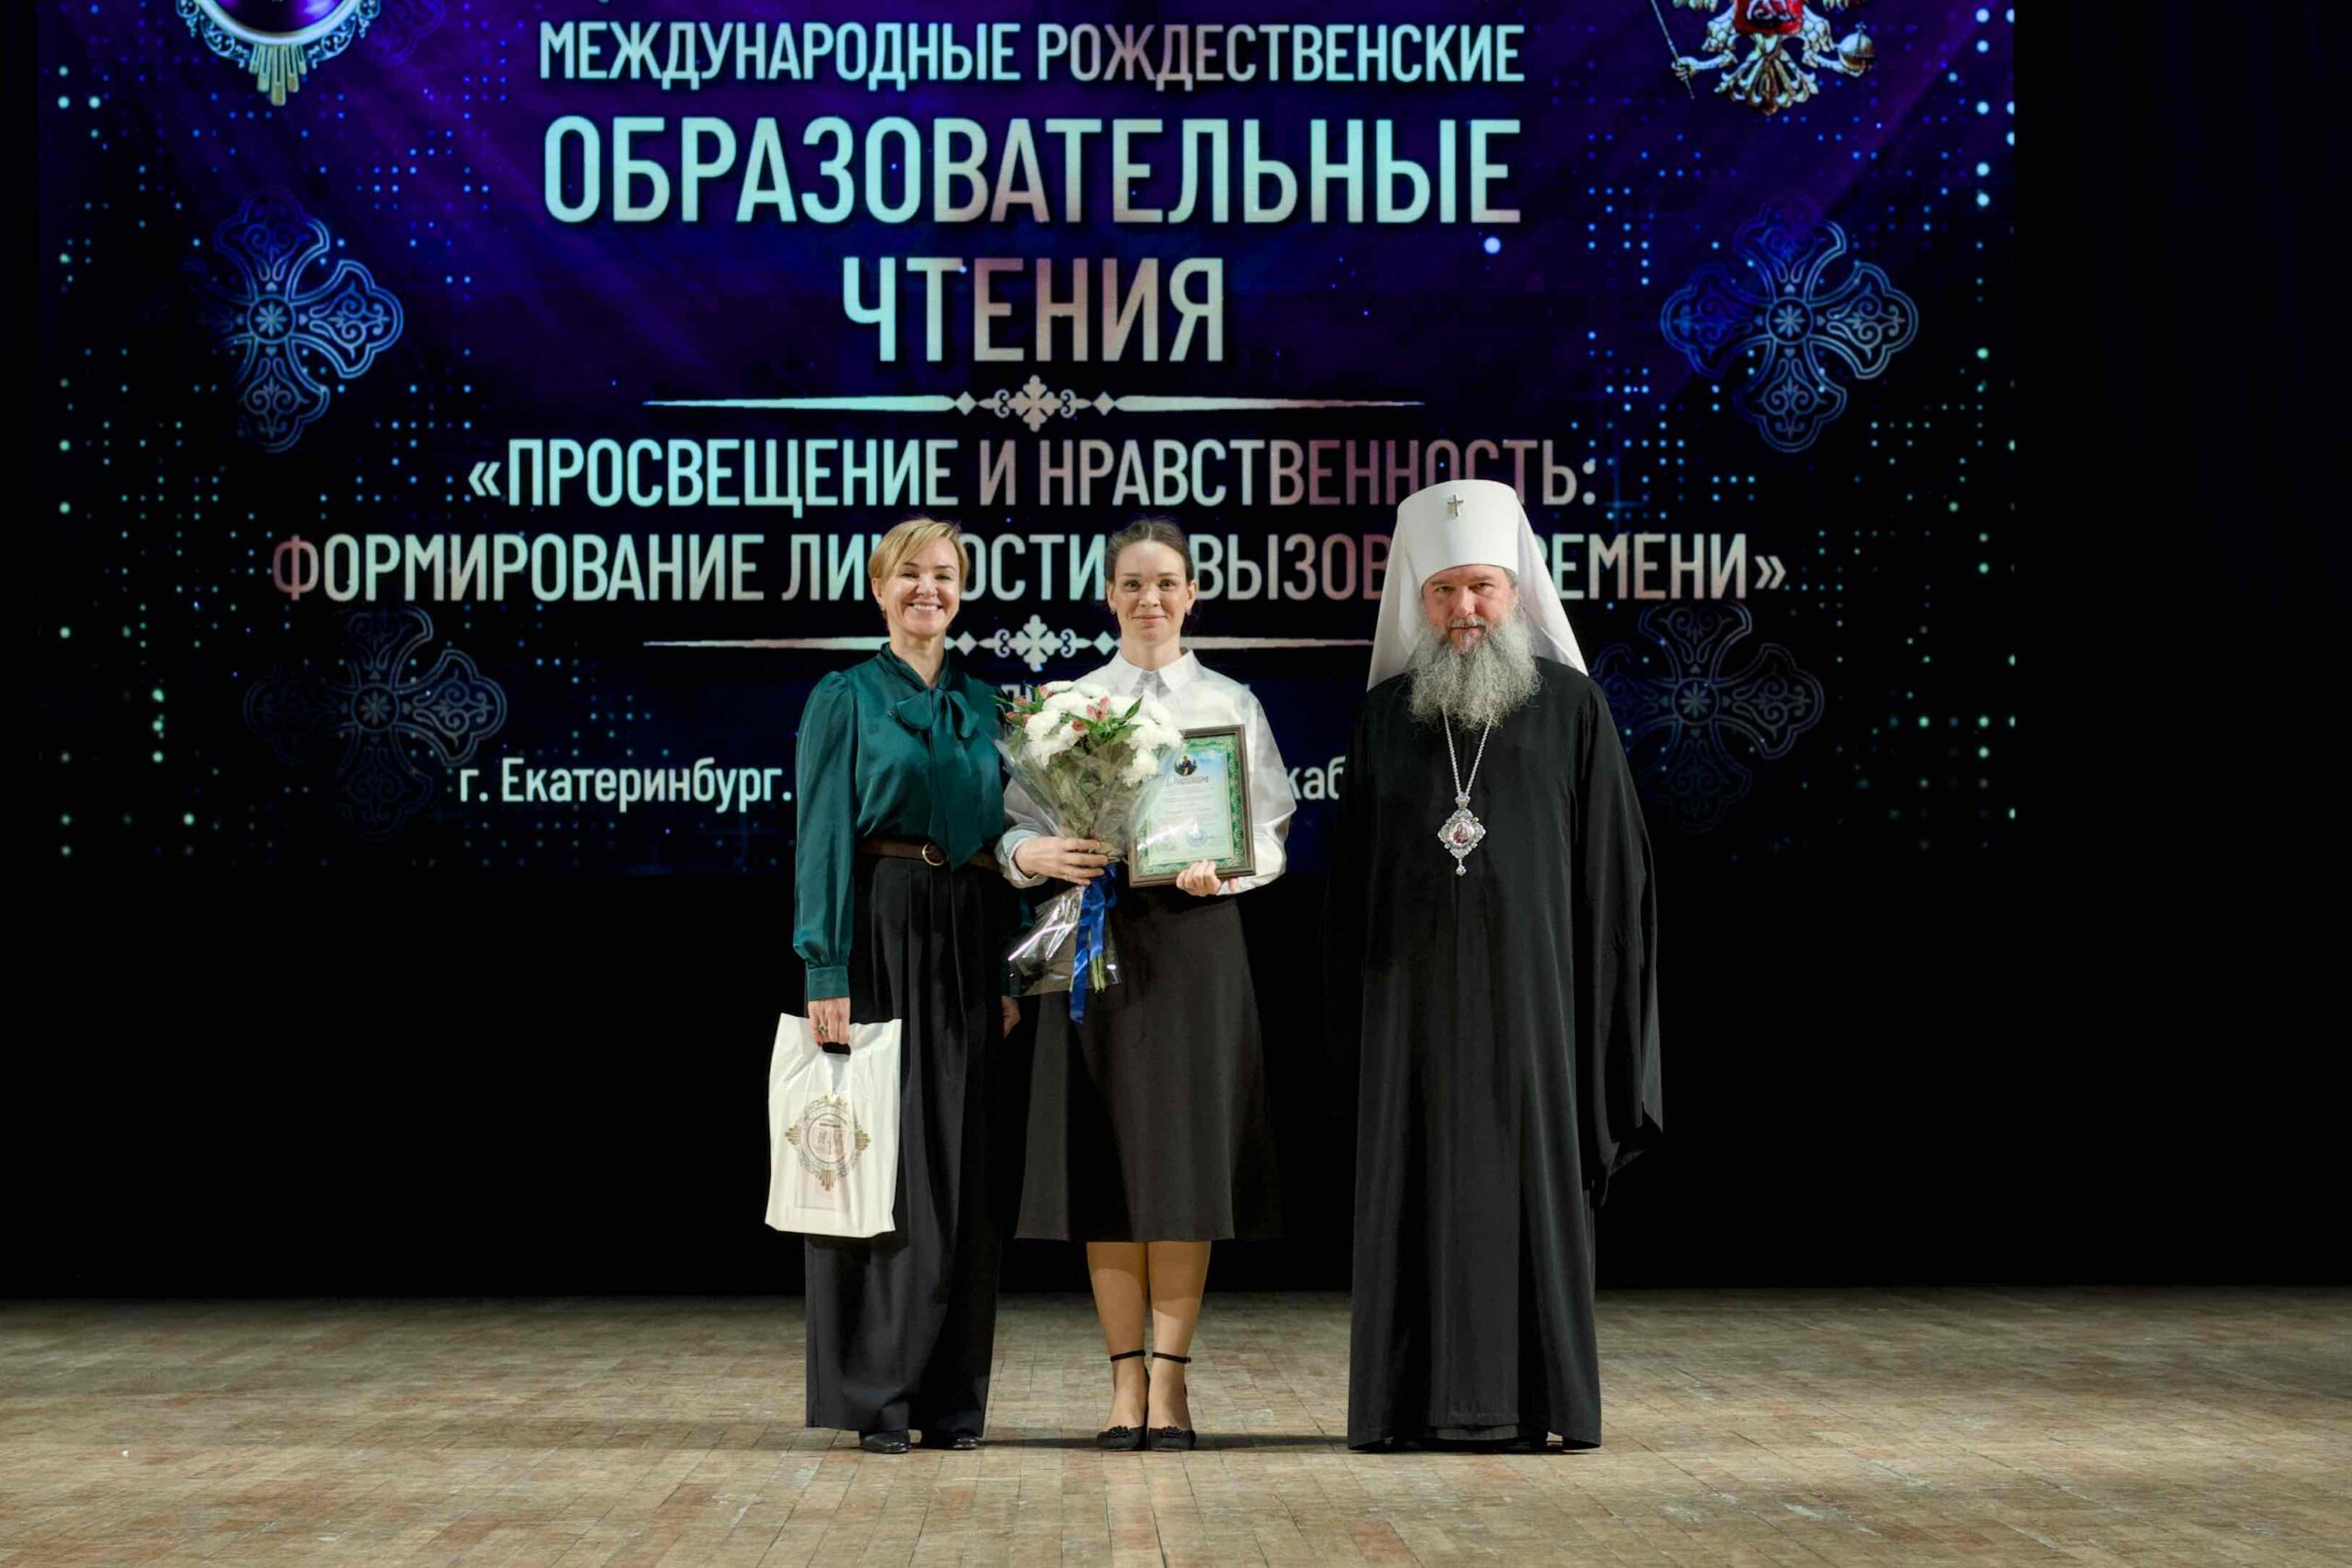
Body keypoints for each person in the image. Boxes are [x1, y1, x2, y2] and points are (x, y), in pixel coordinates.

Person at [1327, 478, 1664, 1453]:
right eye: (1443, 591)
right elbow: (1352, 887)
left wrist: (1600, 1014)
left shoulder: (1573, 708)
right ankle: (1400, 1407)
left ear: (1515, 590)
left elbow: (1615, 881)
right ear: (1418, 602)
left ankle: (1541, 1403)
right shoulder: (1384, 716)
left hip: (1535, 1009)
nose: (1464, 608)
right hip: (1410, 1013)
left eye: (1481, 586)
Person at [1000, 518, 1295, 1452]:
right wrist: (1043, 853)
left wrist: (1228, 870)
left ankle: (1171, 1386)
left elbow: (1271, 831)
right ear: (1109, 595)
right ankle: (1123, 1384)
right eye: (1131, 583)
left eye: (1165, 582)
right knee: (1106, 1161)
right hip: (1098, 934)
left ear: (1192, 592)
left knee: (1183, 1166)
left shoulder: (1229, 701)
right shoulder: (1071, 706)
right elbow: (1018, 822)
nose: (1149, 599)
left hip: (1197, 940)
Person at [792, 516, 1021, 1454]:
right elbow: (821, 834)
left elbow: (1002, 842)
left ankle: (952, 1400)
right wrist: (826, 964)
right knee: (884, 1164)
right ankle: (878, 1395)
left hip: (969, 931)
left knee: (965, 1164)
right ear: (880, 587)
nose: (929, 588)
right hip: (883, 926)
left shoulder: (985, 702)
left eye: (945, 574)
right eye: (910, 574)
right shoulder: (845, 696)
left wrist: (1006, 969)